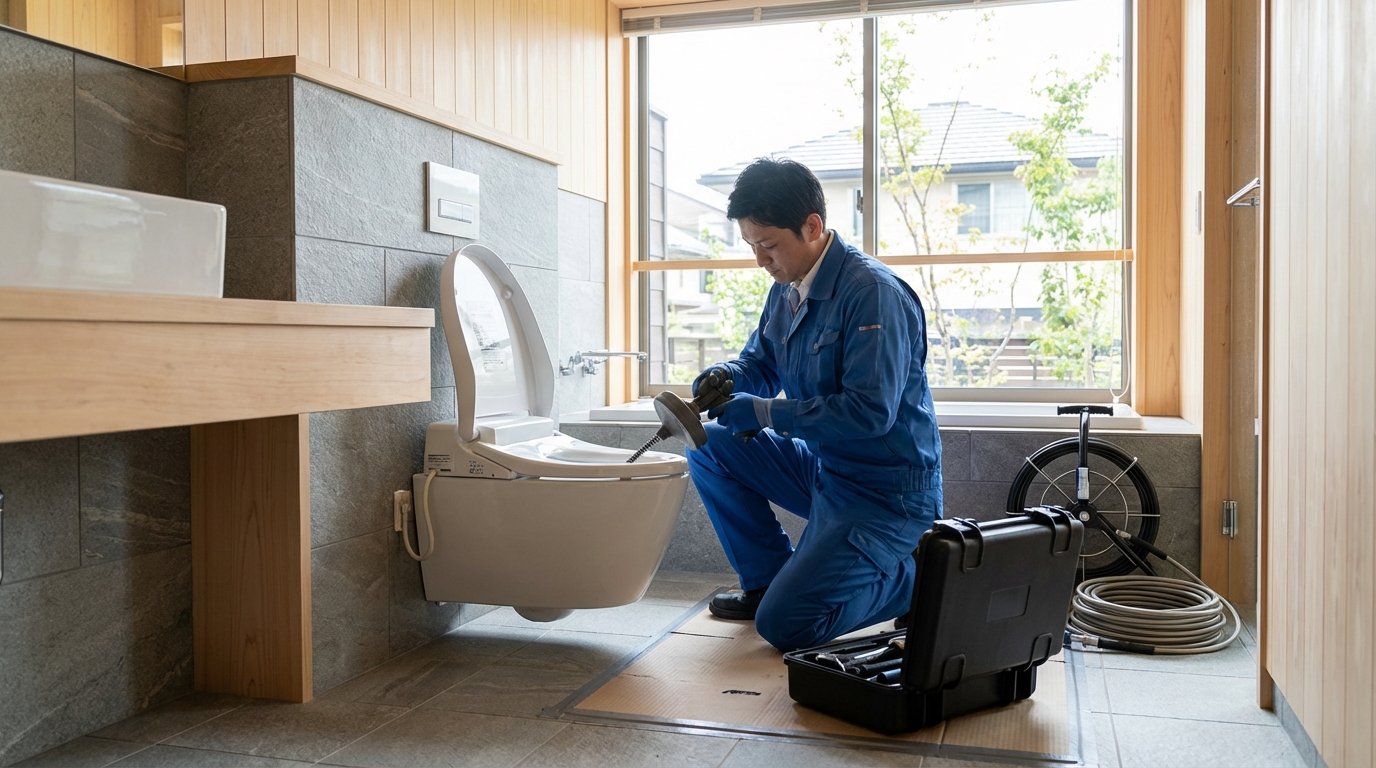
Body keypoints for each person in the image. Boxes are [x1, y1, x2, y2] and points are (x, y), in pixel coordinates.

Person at [687, 157, 943, 653]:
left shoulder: (873, 294)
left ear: (812, 226)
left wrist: (762, 413)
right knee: (709, 445)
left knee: (786, 627)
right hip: (827, 471)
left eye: (768, 245)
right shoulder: (787, 288)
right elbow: (760, 364)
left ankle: (921, 577)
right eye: (751, 246)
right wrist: (728, 377)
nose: (761, 260)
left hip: (888, 492)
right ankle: (766, 581)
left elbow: (869, 413)